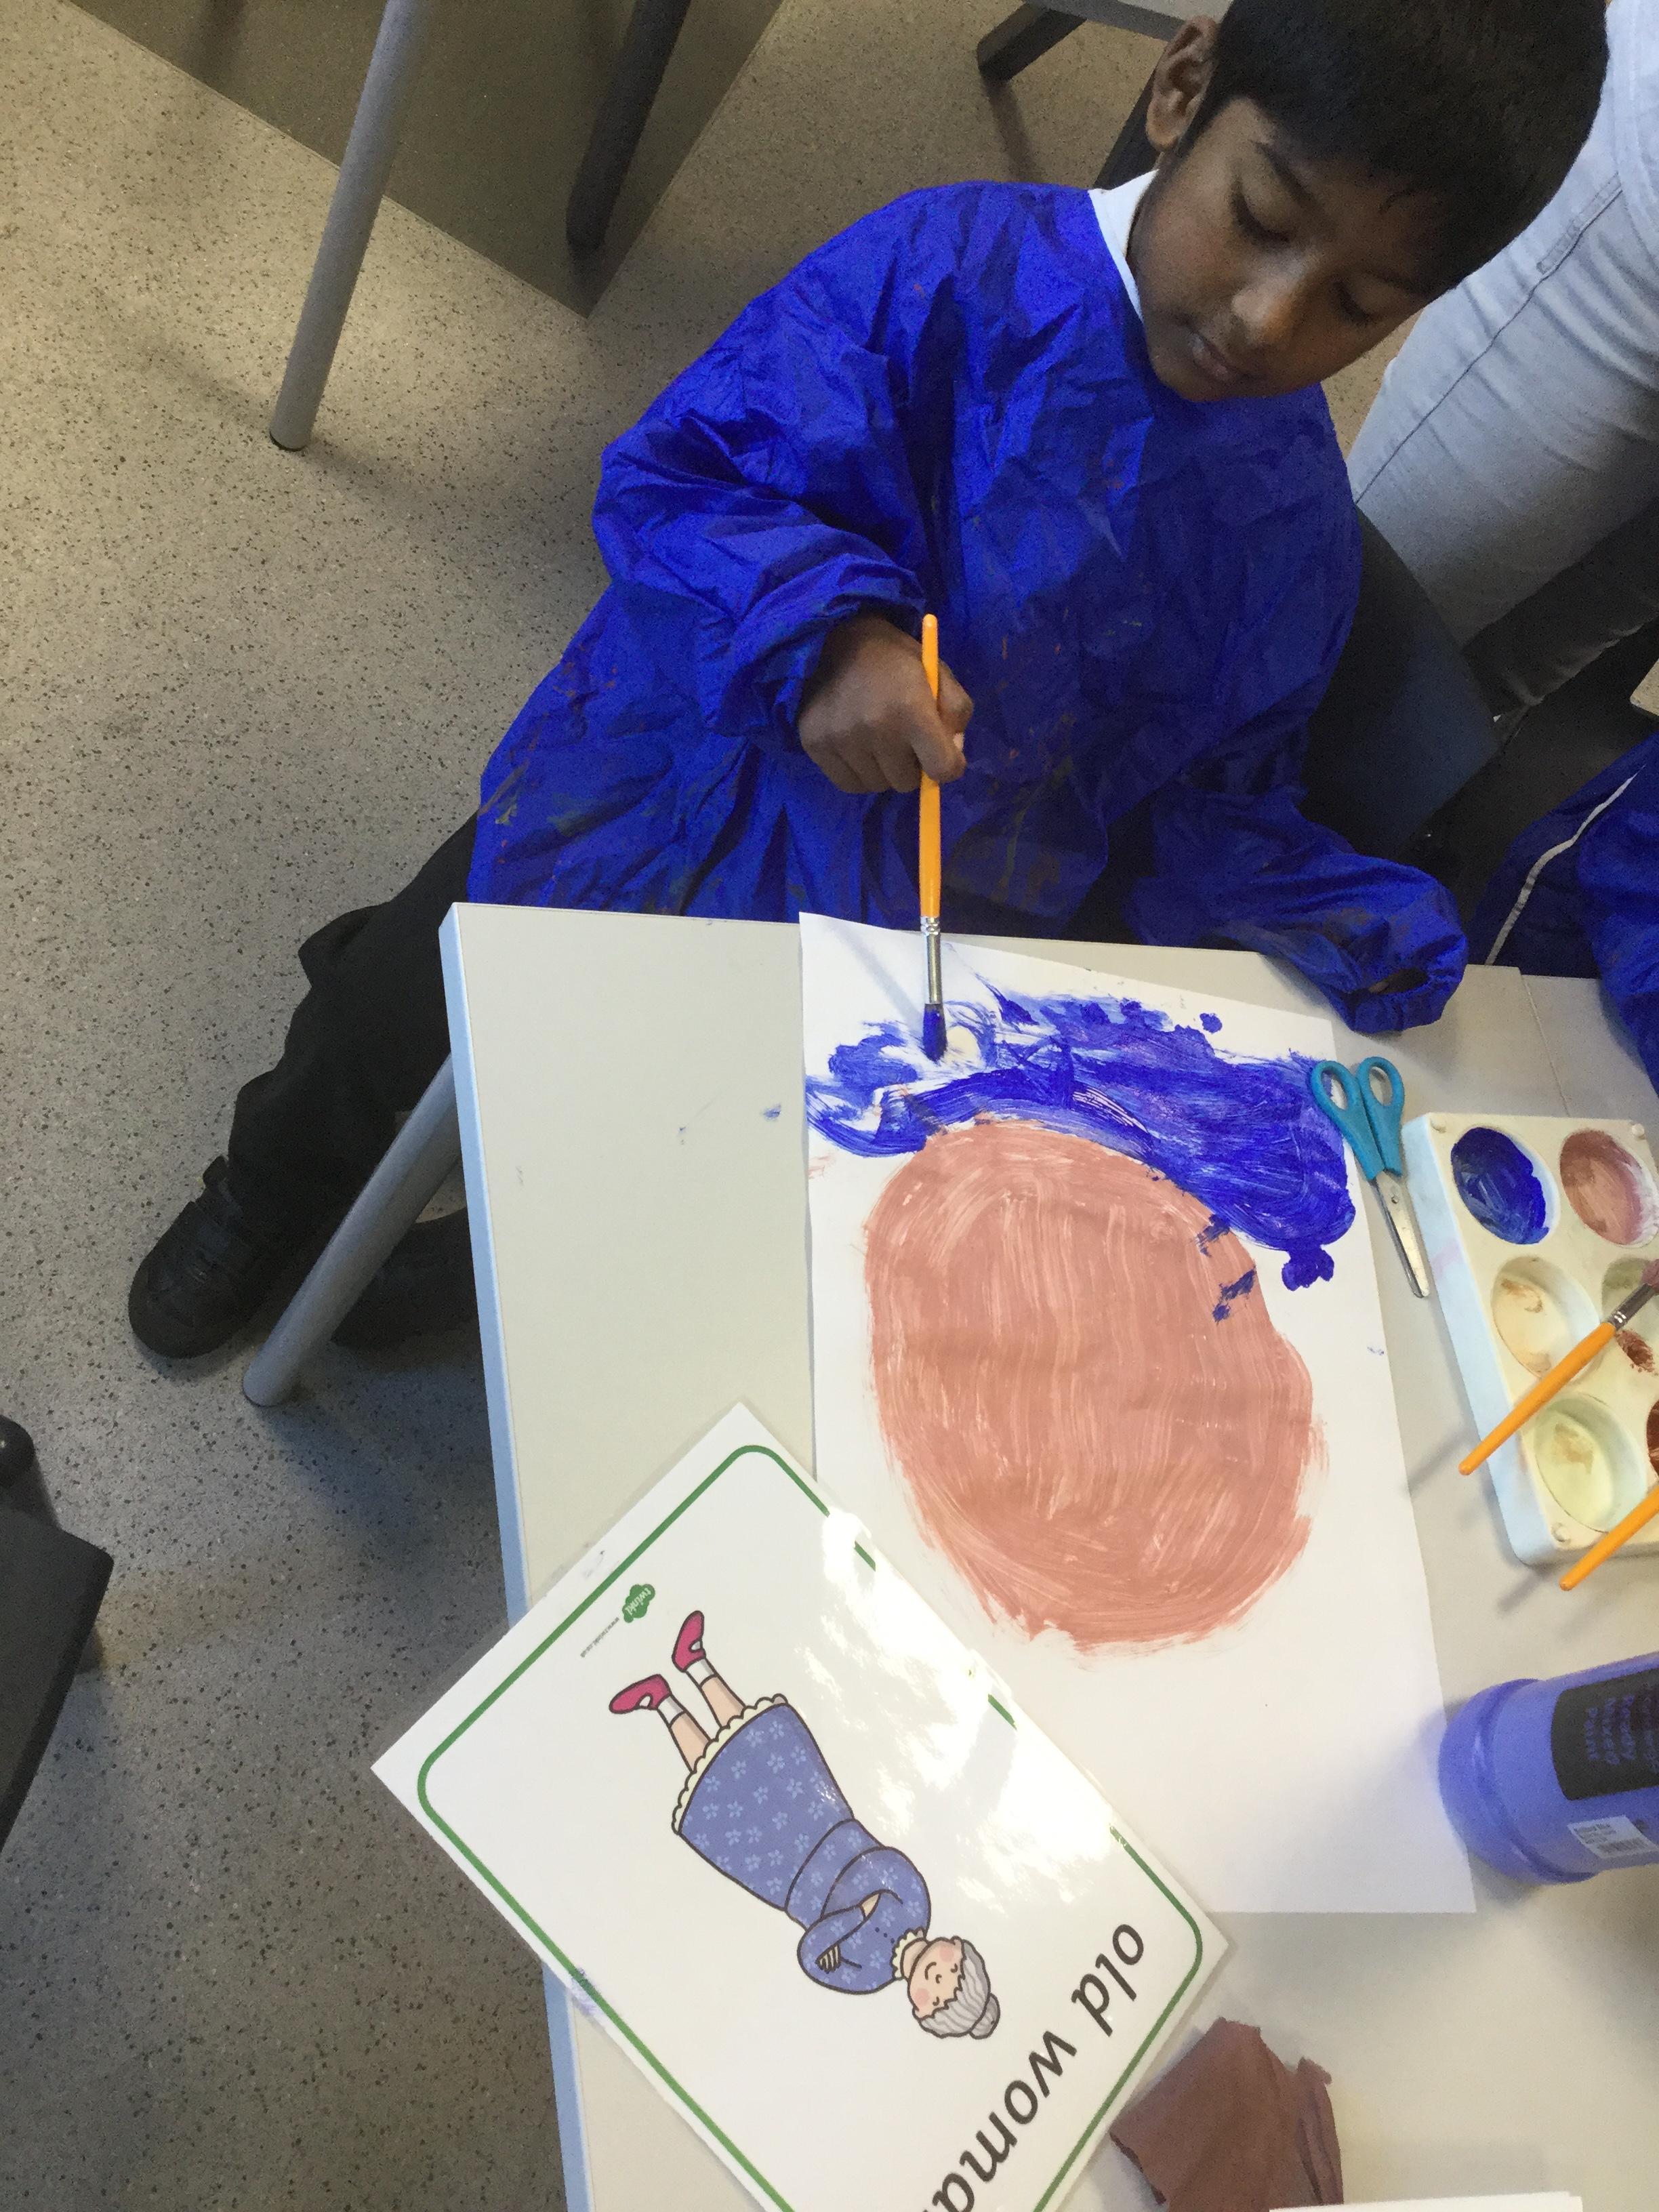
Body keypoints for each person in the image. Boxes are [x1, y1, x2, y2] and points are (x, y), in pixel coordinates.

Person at [129, 0, 1609, 1359]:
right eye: (1260, 222)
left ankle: (474, 1269)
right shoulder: (940, 275)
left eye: (1357, 302)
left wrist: (1331, 912)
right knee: (403, 1010)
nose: (1268, 321)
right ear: (1178, 90)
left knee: (683, 1165)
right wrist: (825, 637)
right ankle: (267, 1185)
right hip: (664, 791)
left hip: (898, 942)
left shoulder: (1287, 526)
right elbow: (680, 478)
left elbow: (1208, 791)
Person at [610, 1610, 1000, 2035]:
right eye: (952, 1972)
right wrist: (848, 1919)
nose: (937, 1981)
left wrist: (856, 1914)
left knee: (723, 1795)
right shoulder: (917, 1904)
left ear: (920, 2011)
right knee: (761, 1750)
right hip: (824, 1823)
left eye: (937, 2000)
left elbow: (811, 1955)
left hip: (785, 1877)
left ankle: (663, 1703)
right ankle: (696, 1664)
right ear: (956, 1947)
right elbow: (885, 1864)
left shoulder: (868, 1976)